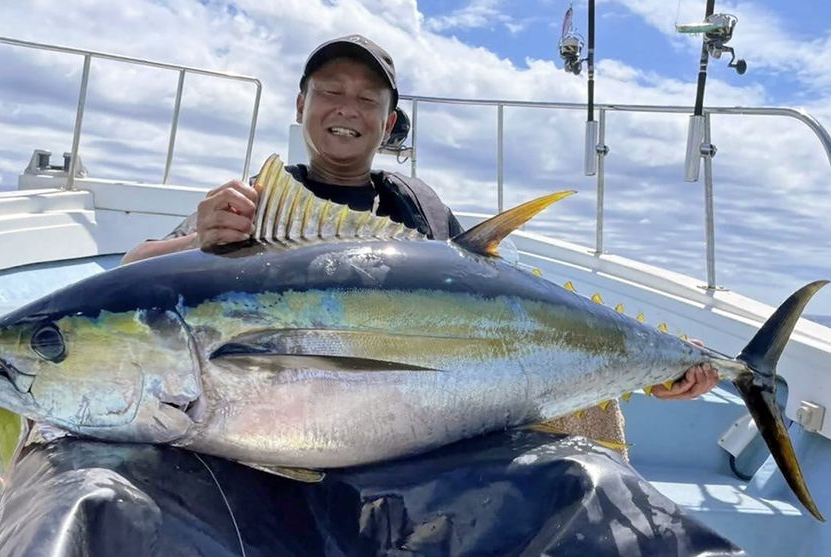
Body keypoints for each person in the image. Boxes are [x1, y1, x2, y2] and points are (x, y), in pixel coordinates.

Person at [120, 34, 718, 446]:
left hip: (414, 412)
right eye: (330, 90)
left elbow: (512, 315)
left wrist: (661, 363)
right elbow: (130, 276)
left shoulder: (421, 211)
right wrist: (198, 237)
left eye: (367, 98)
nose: (345, 107)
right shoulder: (257, 204)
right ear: (301, 103)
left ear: (389, 121)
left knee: (585, 414)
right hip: (283, 417)